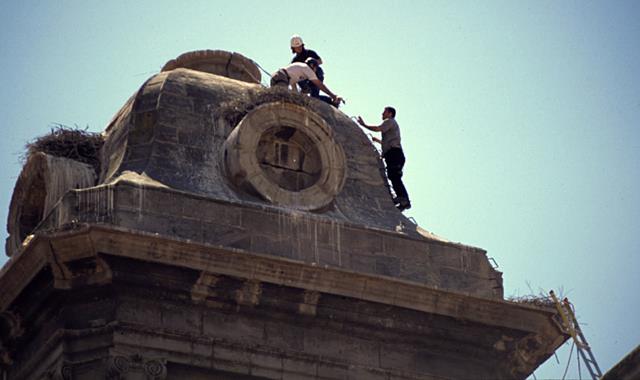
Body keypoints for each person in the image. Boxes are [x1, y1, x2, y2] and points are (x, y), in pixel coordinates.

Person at [357, 107, 411, 211]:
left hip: (394, 154)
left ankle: (404, 199)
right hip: (394, 154)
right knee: (393, 176)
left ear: (390, 114)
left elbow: (378, 128)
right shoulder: (392, 126)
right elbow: (389, 142)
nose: (382, 114)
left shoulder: (389, 121)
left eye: (384, 112)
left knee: (394, 176)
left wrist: (364, 125)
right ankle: (403, 201)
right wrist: (377, 141)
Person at [270, 58, 342, 107]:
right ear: (313, 66)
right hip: (281, 78)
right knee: (281, 102)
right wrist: (333, 96)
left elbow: (294, 89)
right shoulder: (307, 68)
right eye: (315, 68)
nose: (315, 71)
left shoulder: (297, 71)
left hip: (277, 77)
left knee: (276, 100)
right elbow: (319, 84)